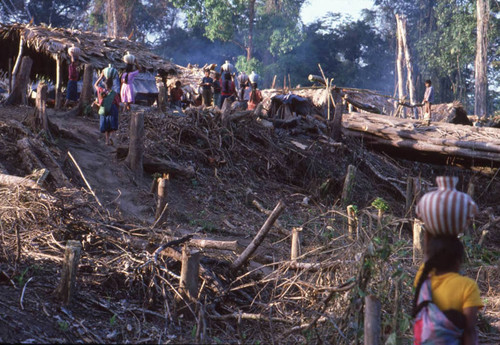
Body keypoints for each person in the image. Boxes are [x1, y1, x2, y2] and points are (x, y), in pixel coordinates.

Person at [413, 234, 483, 345]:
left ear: (432, 260)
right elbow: (469, 330)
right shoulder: (468, 286)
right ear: (458, 261)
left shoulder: (424, 278)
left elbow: (427, 255)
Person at [94, 73, 120, 146]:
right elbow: (117, 103)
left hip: (104, 109)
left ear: (104, 84)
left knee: (106, 125)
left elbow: (95, 85)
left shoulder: (101, 91)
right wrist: (117, 111)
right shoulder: (114, 93)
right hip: (112, 109)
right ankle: (111, 137)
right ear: (112, 85)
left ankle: (107, 141)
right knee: (112, 124)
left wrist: (101, 76)